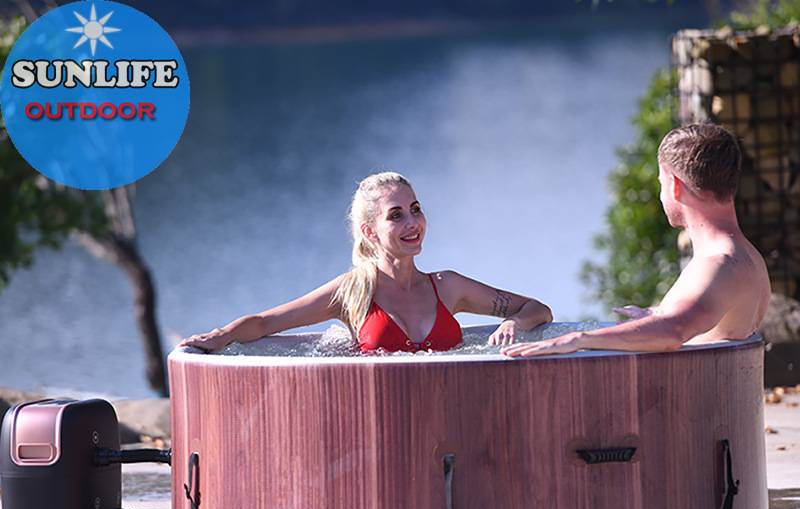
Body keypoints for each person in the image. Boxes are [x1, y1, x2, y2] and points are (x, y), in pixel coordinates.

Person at [181, 172, 552, 353]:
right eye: (396, 216)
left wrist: (514, 322)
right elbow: (266, 323)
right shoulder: (353, 291)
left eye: (416, 210)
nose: (413, 223)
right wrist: (221, 335)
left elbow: (538, 309)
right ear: (370, 231)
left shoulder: (448, 287)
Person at [502, 122, 770, 358]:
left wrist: (578, 340)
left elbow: (674, 330)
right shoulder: (747, 256)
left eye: (661, 183)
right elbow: (698, 318)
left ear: (675, 186)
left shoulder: (719, 264)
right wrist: (657, 314)